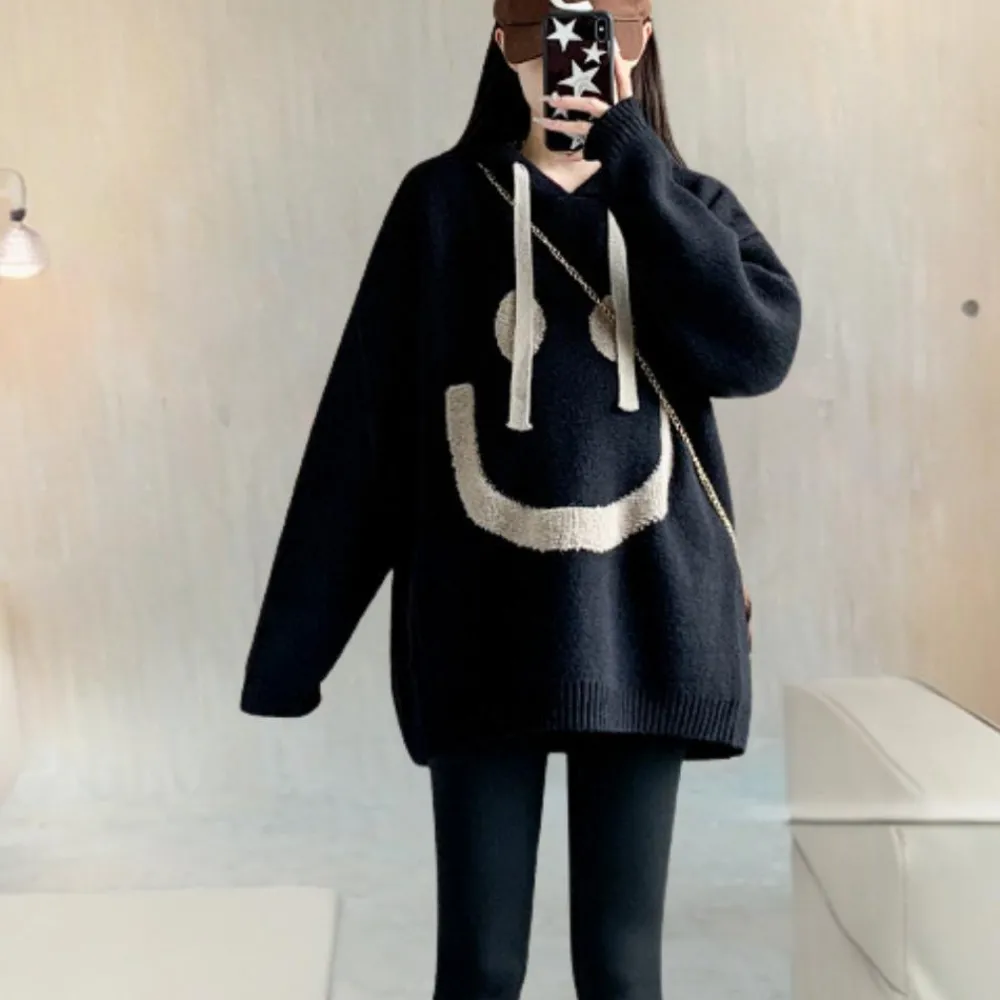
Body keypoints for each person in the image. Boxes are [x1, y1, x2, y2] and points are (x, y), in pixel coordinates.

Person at [240, 1, 801, 997]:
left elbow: (756, 348)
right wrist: (293, 652)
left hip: (648, 622)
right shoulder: (441, 204)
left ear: (640, 42)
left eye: (602, 26)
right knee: (481, 966)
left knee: (621, 968)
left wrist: (633, 159)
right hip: (479, 624)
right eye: (542, 24)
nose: (567, 50)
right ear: (504, 44)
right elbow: (365, 431)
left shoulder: (687, 205)